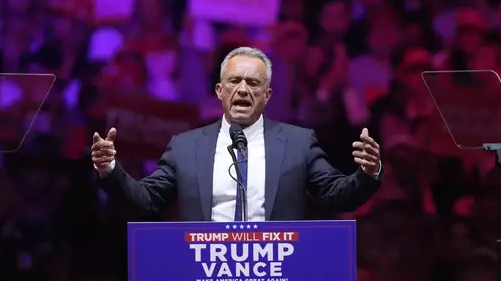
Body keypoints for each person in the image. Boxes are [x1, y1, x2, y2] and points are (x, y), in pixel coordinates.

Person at [91, 46, 383, 221]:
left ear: (267, 95)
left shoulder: (298, 143)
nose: (243, 89)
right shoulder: (185, 147)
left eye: (253, 83)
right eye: (234, 81)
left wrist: (367, 173)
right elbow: (146, 199)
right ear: (220, 91)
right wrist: (110, 169)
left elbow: (337, 194)